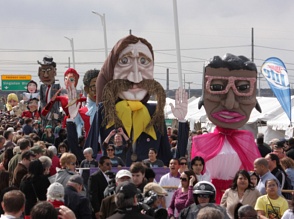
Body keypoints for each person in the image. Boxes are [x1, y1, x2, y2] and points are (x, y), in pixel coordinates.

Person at [85, 35, 188, 165]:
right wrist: (71, 121)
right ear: (111, 70)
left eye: (144, 62)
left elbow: (170, 159)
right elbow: (87, 155)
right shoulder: (105, 112)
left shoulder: (154, 113)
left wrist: (182, 122)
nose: (136, 76)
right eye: (125, 61)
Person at [192, 54, 261, 203]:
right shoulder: (201, 141)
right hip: (209, 194)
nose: (230, 104)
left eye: (243, 88)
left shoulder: (247, 140)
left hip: (238, 197)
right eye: (216, 87)